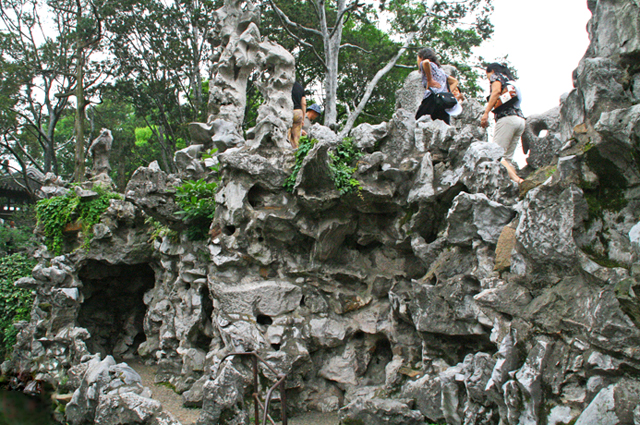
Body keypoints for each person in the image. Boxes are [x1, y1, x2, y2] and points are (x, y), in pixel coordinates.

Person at [481, 63, 526, 184]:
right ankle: (517, 184)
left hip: (507, 119)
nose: (488, 79)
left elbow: (495, 92)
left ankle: (518, 180)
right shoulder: (511, 80)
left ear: (491, 71)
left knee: (496, 154)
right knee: (506, 158)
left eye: (487, 75)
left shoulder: (496, 76)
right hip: (520, 120)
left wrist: (486, 113)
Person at [415, 48, 458, 124]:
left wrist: (429, 80)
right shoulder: (440, 70)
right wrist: (447, 93)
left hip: (432, 99)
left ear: (421, 57)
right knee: (443, 127)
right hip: (442, 102)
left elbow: (426, 62)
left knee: (420, 119)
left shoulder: (425, 63)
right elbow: (454, 81)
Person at [288, 81, 306, 148]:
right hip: (298, 112)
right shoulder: (299, 86)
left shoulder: (285, 83)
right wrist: (303, 119)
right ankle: (296, 155)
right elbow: (304, 103)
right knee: (297, 141)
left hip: (287, 111)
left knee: (287, 138)